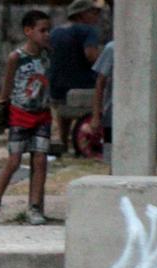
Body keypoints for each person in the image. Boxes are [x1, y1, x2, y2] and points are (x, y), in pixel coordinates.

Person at [0, 10, 52, 226]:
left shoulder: (48, 55)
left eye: (48, 30)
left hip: (42, 114)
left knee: (40, 160)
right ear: (28, 31)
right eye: (42, 30)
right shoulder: (17, 57)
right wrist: (1, 113)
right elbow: (7, 86)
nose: (46, 35)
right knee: (14, 161)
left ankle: (34, 207)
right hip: (20, 115)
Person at [48, 0, 103, 155]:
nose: (97, 16)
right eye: (94, 12)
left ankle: (64, 142)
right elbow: (91, 55)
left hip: (58, 89)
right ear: (82, 14)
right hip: (84, 85)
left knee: (63, 107)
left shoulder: (55, 32)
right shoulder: (88, 31)